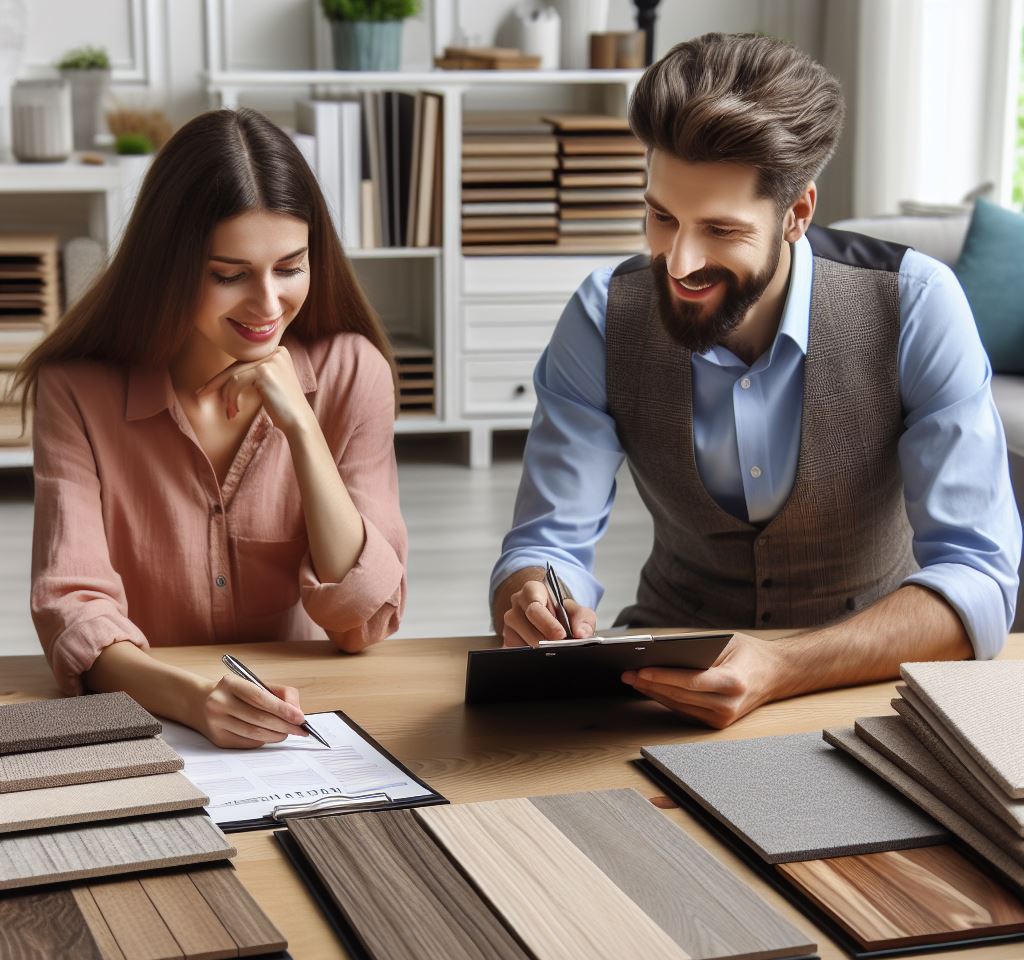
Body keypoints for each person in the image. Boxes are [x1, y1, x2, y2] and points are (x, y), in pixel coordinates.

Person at [490, 33, 1022, 728]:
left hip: (868, 689)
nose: (678, 262)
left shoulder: (918, 305)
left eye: (719, 229)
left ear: (797, 213)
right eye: (660, 216)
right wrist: (533, 598)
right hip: (661, 689)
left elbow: (979, 580)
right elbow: (546, 543)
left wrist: (785, 666)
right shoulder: (602, 315)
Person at [17, 108, 407, 748]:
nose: (268, 305)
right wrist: (191, 698)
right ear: (168, 266)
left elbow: (361, 621)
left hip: (313, 732)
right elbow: (74, 612)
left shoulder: (352, 371)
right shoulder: (76, 390)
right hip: (148, 725)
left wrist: (302, 430)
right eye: (229, 275)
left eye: (290, 267)